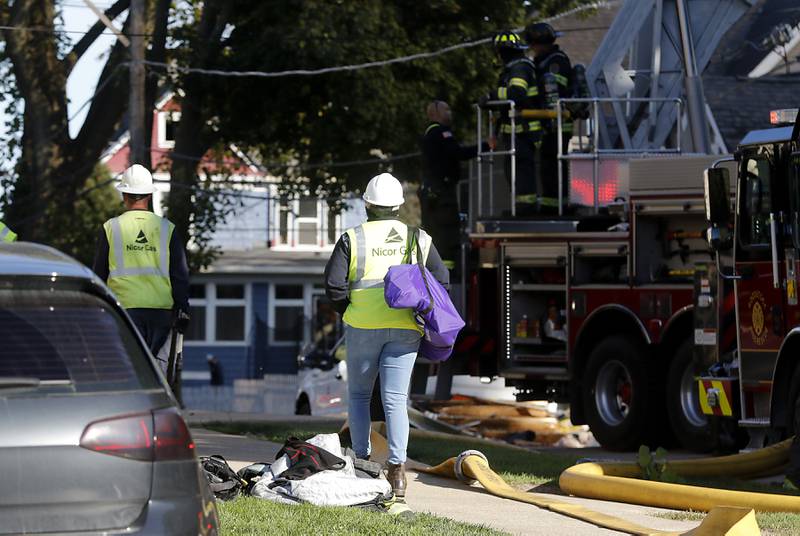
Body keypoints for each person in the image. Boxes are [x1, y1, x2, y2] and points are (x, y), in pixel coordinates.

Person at [324, 172, 448, 499]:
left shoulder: (353, 238)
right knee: (395, 400)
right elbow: (442, 279)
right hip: (406, 328)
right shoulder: (417, 238)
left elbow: (334, 286)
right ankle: (397, 471)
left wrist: (351, 310)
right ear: (398, 206)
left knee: (360, 396)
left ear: (367, 204)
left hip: (363, 326)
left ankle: (362, 461)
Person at [92, 164, 190, 357]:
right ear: (149, 195)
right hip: (161, 313)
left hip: (125, 311)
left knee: (133, 369)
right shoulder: (166, 229)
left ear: (124, 196)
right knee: (158, 370)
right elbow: (179, 275)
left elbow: (99, 275)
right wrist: (183, 309)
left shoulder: (111, 228)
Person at [482, 30, 546, 215]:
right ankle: (521, 208)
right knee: (514, 173)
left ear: (503, 51)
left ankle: (526, 210)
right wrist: (494, 132)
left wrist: (491, 96)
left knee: (522, 173)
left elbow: (517, 94)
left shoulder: (520, 68)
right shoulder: (512, 68)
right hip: (515, 133)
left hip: (524, 132)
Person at [419, 100, 488, 270]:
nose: (450, 113)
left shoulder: (430, 134)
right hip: (442, 195)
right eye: (446, 109)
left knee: (435, 236)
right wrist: (487, 145)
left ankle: (435, 274)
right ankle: (446, 278)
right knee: (448, 236)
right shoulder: (441, 132)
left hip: (432, 193)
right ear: (434, 113)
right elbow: (458, 153)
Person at [526, 21, 573, 211]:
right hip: (549, 123)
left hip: (558, 124)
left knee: (553, 167)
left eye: (533, 45)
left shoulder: (556, 62)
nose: (532, 49)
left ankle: (555, 206)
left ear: (539, 43)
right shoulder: (546, 61)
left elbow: (554, 91)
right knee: (548, 166)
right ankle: (552, 203)